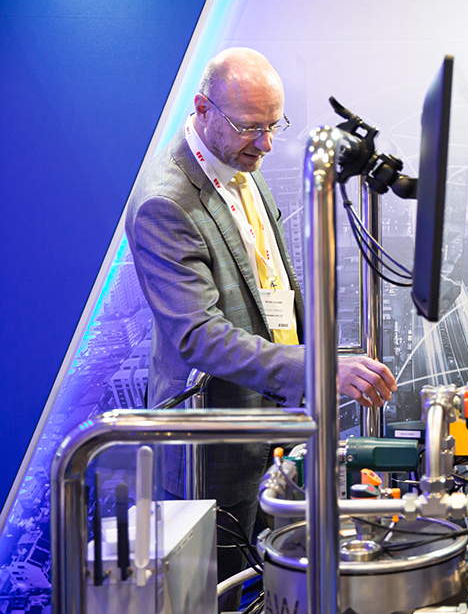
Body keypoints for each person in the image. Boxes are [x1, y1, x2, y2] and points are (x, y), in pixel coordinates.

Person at [125, 47, 396, 609]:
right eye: (251, 127)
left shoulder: (243, 165)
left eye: (275, 125)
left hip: (279, 423)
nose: (267, 144)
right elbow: (198, 336)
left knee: (279, 588)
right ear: (203, 108)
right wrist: (318, 368)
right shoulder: (165, 203)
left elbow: (274, 291)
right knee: (221, 594)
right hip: (215, 442)